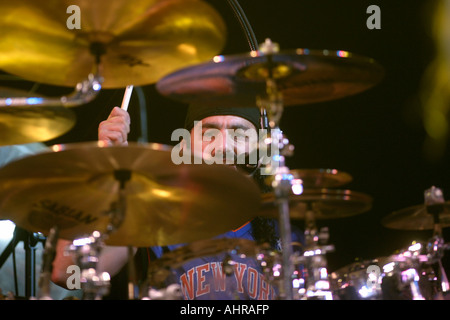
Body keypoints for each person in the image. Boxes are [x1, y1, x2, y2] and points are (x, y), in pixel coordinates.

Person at [52, 104, 304, 300]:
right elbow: (70, 274)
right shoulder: (155, 218)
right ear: (184, 147)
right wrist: (105, 170)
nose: (223, 147)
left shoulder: (286, 236)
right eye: (209, 133)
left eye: (240, 135)